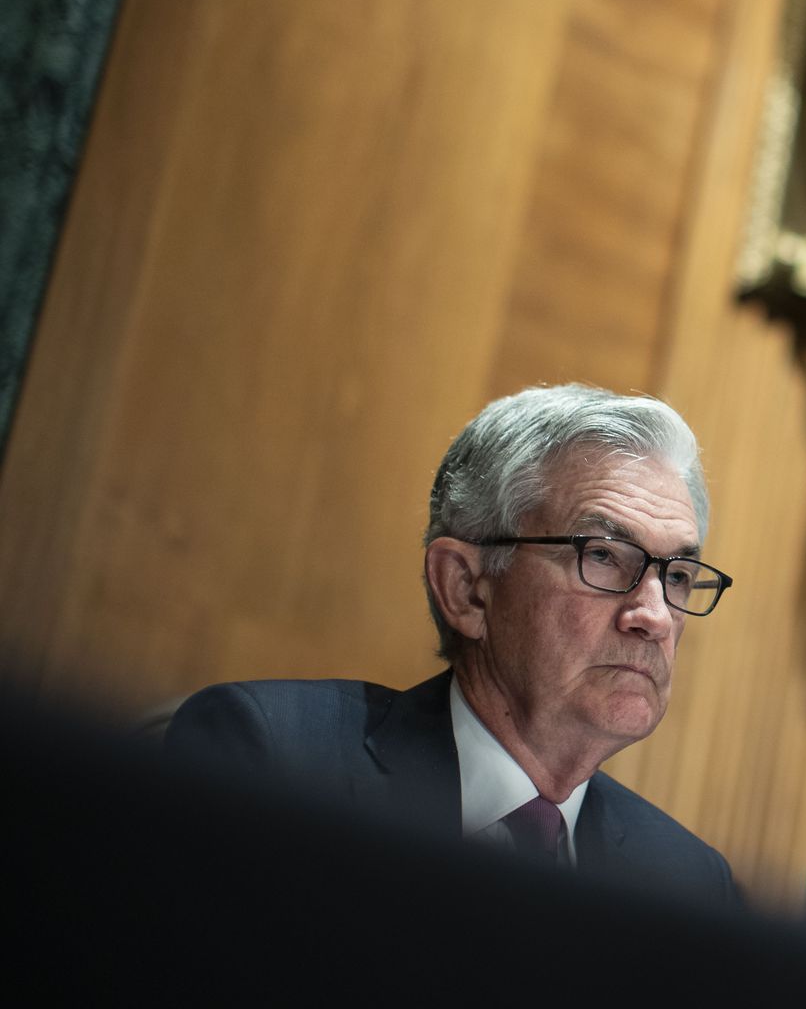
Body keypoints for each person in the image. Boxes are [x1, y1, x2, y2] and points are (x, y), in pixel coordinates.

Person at [167, 384, 737, 903]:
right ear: (466, 589)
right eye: (604, 555)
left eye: (678, 575)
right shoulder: (273, 764)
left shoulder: (689, 885)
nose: (654, 616)